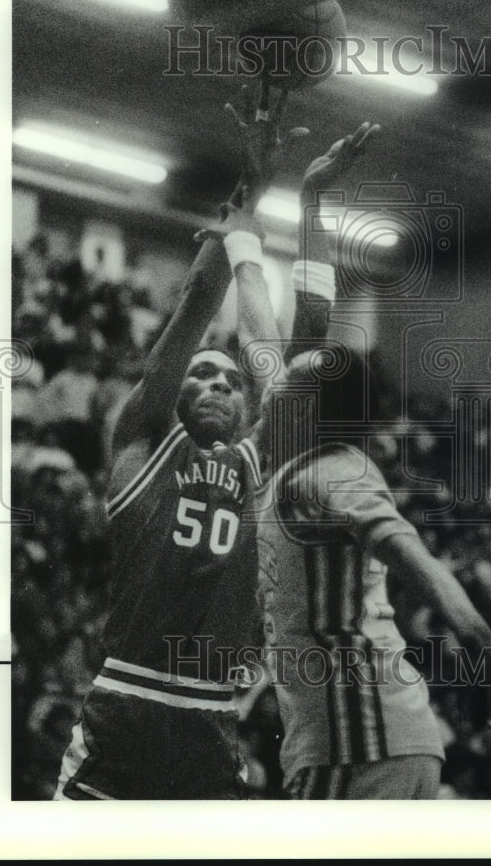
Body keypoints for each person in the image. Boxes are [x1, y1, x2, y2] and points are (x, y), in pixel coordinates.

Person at [229, 129, 491, 800]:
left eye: (292, 382)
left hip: (357, 738)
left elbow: (416, 560)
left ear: (310, 410)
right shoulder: (287, 463)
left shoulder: (331, 471)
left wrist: (481, 639)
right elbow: (267, 327)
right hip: (362, 737)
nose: (276, 380)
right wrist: (261, 223)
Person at [53, 82, 302, 800]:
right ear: (176, 394)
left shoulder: (256, 460)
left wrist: (252, 227)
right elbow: (197, 308)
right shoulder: (141, 443)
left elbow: (264, 350)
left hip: (209, 720)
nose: (222, 383)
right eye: (204, 376)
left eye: (231, 381)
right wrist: (247, 194)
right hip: (124, 708)